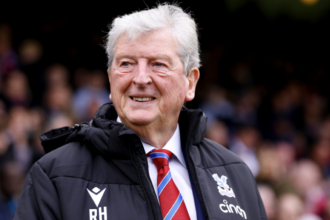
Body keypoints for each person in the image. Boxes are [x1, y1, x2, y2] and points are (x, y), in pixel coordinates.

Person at [14, 4, 267, 220]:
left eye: (158, 64)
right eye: (126, 64)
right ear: (111, 80)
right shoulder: (55, 175)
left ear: (190, 82)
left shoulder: (235, 173)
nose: (141, 78)